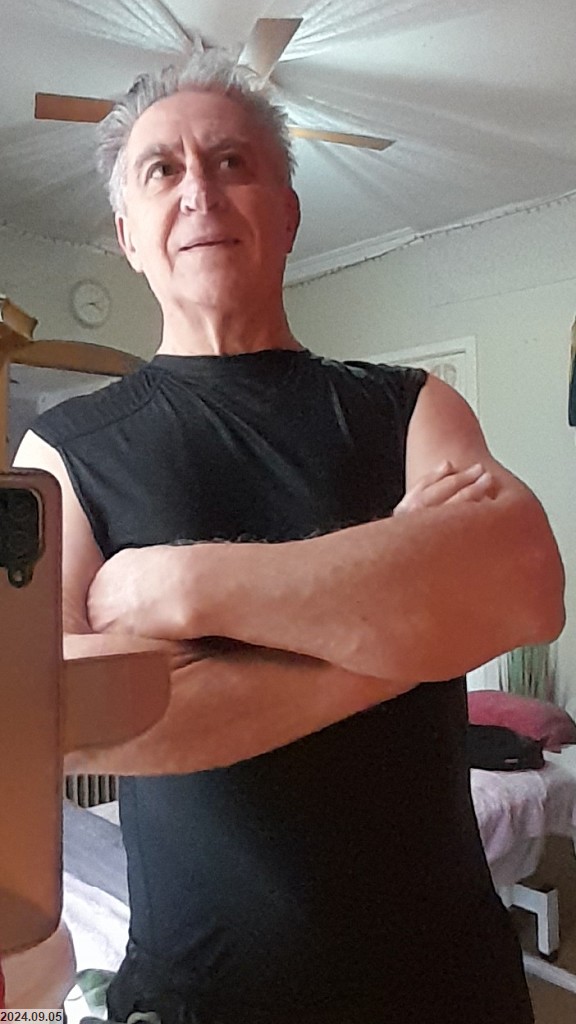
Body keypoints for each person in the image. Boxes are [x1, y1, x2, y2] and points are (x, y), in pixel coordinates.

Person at [14, 47, 565, 1024]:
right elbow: (72, 716)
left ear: (288, 213)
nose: (199, 190)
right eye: (162, 169)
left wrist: (185, 586)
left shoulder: (411, 406)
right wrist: (411, 638)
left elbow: (526, 584)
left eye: (233, 161)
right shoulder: (63, 450)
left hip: (450, 982)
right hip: (204, 995)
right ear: (129, 235)